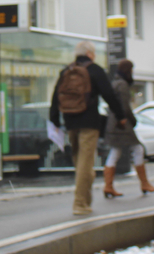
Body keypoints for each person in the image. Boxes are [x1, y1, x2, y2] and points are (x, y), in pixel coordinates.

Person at [49, 41, 127, 215]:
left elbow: (55, 96)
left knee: (80, 162)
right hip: (89, 123)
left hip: (70, 121)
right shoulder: (95, 70)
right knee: (85, 163)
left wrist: (54, 119)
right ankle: (80, 204)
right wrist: (121, 116)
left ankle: (86, 201)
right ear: (90, 54)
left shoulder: (66, 71)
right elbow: (109, 95)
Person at [101, 60, 154, 198]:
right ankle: (144, 183)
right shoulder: (123, 85)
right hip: (122, 124)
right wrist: (132, 121)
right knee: (137, 149)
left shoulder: (115, 83)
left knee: (115, 152)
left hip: (113, 123)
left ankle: (108, 186)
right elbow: (125, 107)